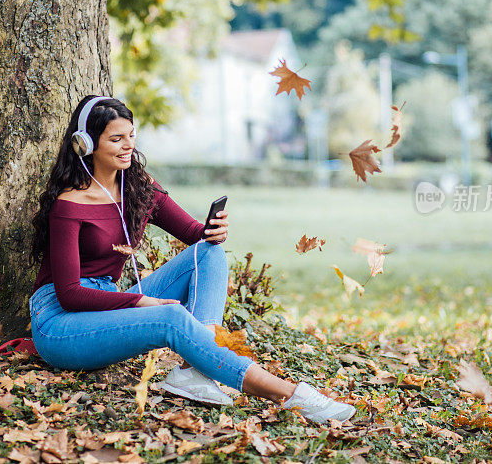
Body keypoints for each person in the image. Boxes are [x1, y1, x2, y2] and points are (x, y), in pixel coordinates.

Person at [28, 95, 355, 423]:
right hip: (60, 322)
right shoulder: (70, 204)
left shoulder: (138, 188)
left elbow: (195, 236)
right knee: (169, 317)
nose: (128, 145)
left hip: (110, 300)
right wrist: (139, 301)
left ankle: (190, 372)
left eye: (131, 135)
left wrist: (215, 231)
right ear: (86, 144)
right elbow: (70, 294)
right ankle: (291, 394)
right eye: (116, 139)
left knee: (209, 254)